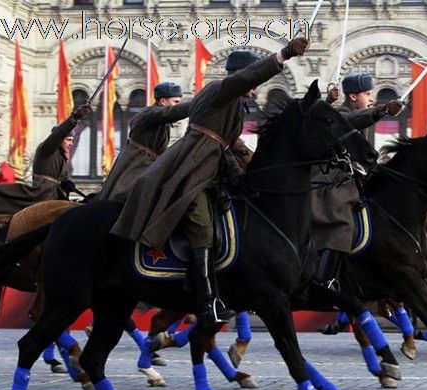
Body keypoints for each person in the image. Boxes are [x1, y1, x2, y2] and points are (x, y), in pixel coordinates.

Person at [111, 37, 310, 324]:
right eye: (252, 83)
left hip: (211, 169)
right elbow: (245, 82)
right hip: (192, 172)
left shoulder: (233, 104)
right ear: (241, 77)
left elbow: (227, 147)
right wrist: (283, 55)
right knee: (203, 229)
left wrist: (245, 174)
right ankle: (206, 301)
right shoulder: (222, 90)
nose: (255, 92)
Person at [314, 73, 403, 335]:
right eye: (367, 94)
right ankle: (326, 278)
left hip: (353, 179)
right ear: (353, 97)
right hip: (331, 182)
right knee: (343, 221)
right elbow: (346, 122)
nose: (372, 98)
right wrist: (382, 110)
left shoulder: (360, 116)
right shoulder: (342, 115)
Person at [0, 105, 92, 214]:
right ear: (59, 140)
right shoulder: (47, 148)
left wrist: (66, 183)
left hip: (55, 194)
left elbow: (61, 178)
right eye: (68, 140)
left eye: (72, 140)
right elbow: (59, 134)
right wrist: (75, 117)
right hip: (42, 194)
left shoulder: (62, 156)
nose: (71, 144)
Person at [97, 82, 191, 202]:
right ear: (163, 101)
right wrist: (199, 104)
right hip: (137, 164)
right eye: (175, 102)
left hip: (149, 164)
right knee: (126, 197)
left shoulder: (161, 119)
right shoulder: (150, 114)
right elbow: (169, 114)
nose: (178, 105)